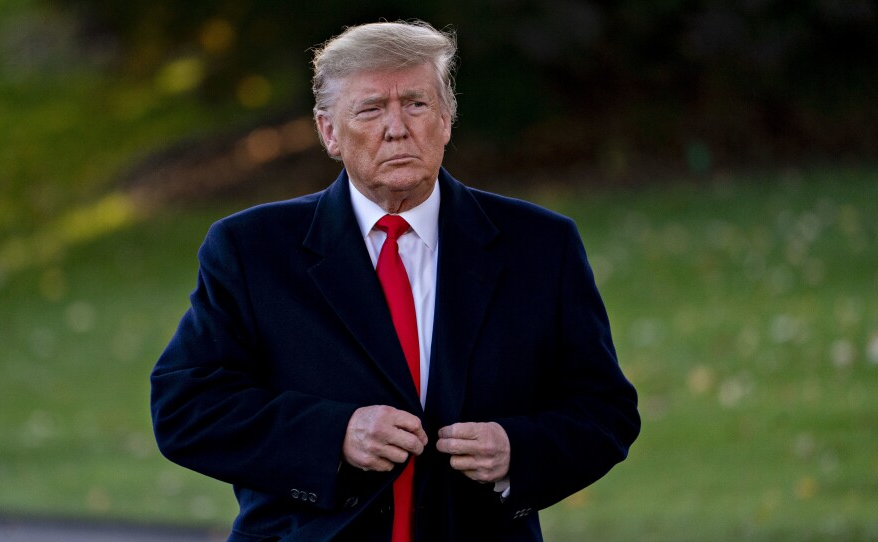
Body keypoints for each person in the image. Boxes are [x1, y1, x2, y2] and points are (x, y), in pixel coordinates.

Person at [151, 20, 640, 542]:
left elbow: (603, 410)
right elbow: (187, 408)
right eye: (370, 108)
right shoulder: (251, 250)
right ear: (329, 132)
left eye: (416, 104)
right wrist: (334, 435)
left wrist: (517, 449)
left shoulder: (541, 246)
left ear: (447, 120)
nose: (397, 127)